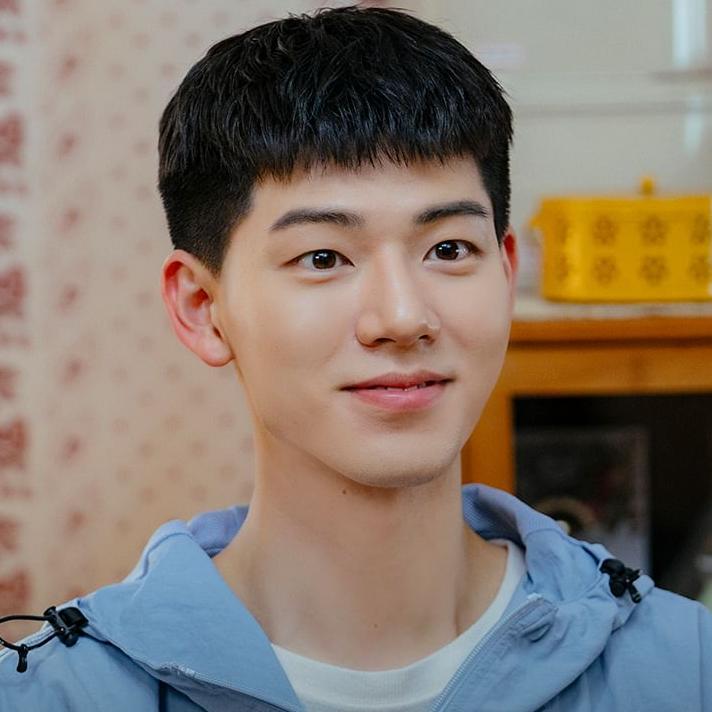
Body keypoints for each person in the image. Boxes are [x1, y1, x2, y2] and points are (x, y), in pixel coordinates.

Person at [1, 5, 710, 711]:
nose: (402, 318)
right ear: (201, 307)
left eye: (449, 249)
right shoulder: (51, 695)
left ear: (504, 271)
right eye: (323, 257)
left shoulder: (686, 667)